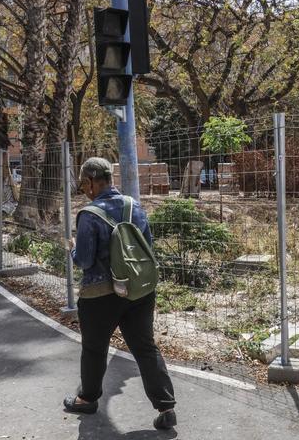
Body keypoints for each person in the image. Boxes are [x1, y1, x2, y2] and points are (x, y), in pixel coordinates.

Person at [62, 157, 177, 430]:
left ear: (91, 181)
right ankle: (166, 406)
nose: (84, 189)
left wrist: (73, 249)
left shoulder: (89, 214)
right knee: (145, 347)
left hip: (100, 295)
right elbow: (146, 246)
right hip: (138, 291)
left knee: (94, 348)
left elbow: (86, 260)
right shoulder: (134, 206)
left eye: (84, 184)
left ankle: (87, 399)